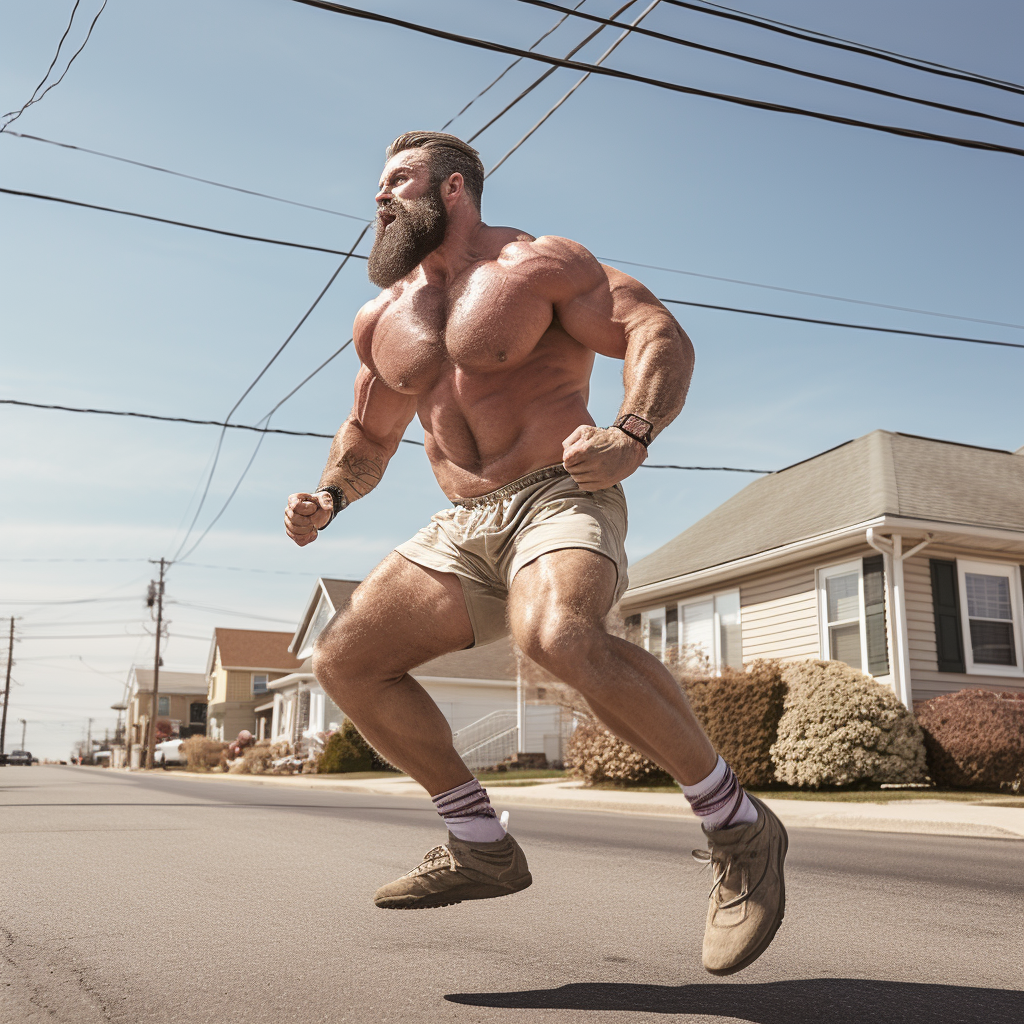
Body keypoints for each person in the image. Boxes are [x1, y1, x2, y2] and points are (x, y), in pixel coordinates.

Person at [284, 131, 787, 974]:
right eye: (376, 183)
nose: (380, 197)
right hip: (462, 524)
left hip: (561, 487)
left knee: (556, 635)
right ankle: (479, 842)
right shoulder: (381, 319)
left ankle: (739, 828)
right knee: (344, 662)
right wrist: (329, 497)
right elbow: (368, 438)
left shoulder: (539, 265)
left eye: (397, 180)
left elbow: (657, 334)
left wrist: (632, 432)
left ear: (452, 189)